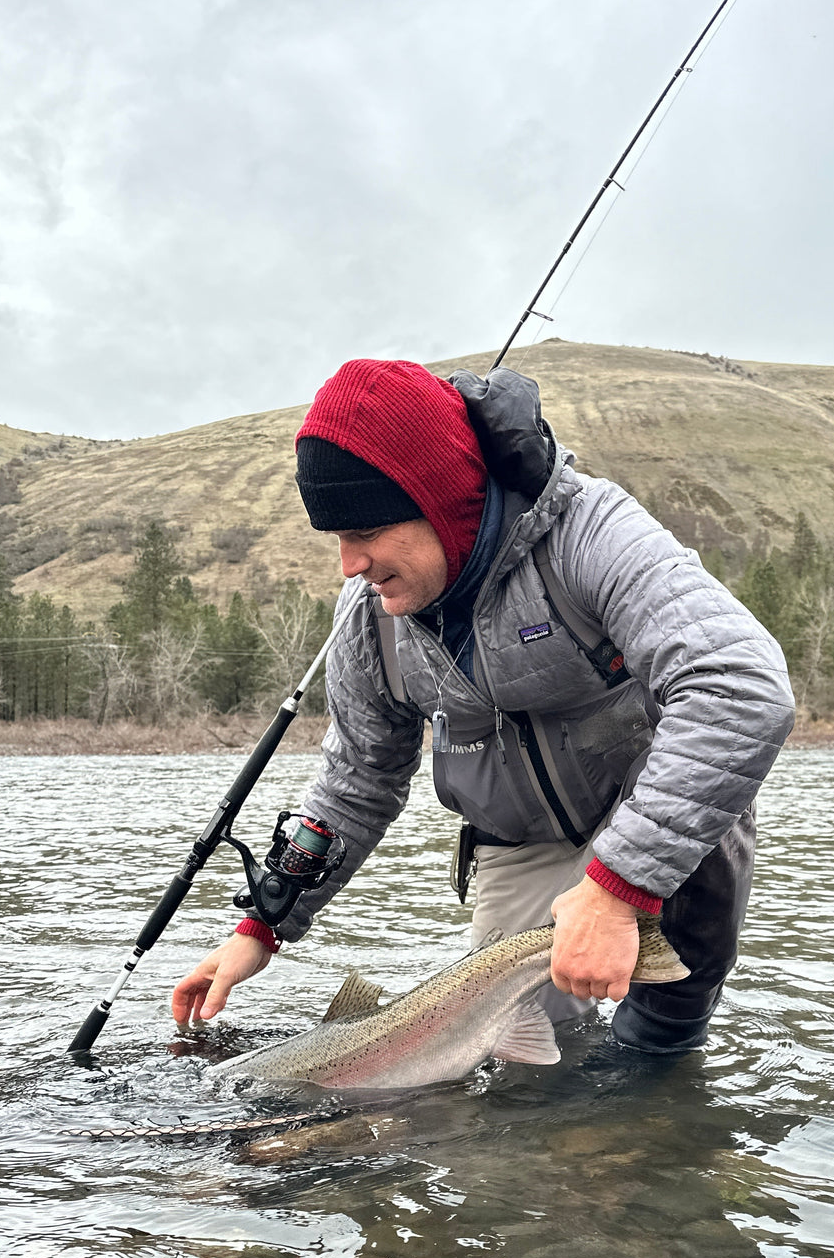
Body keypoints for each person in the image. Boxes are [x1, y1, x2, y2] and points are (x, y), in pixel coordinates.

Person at [171, 358, 795, 1051]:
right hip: (518, 846)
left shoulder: (590, 532)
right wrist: (263, 926)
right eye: (337, 539)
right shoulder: (369, 617)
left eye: (364, 534)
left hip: (659, 821)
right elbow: (358, 781)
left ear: (436, 501)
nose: (349, 565)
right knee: (518, 1078)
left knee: (660, 1044)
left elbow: (741, 684)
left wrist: (620, 884)